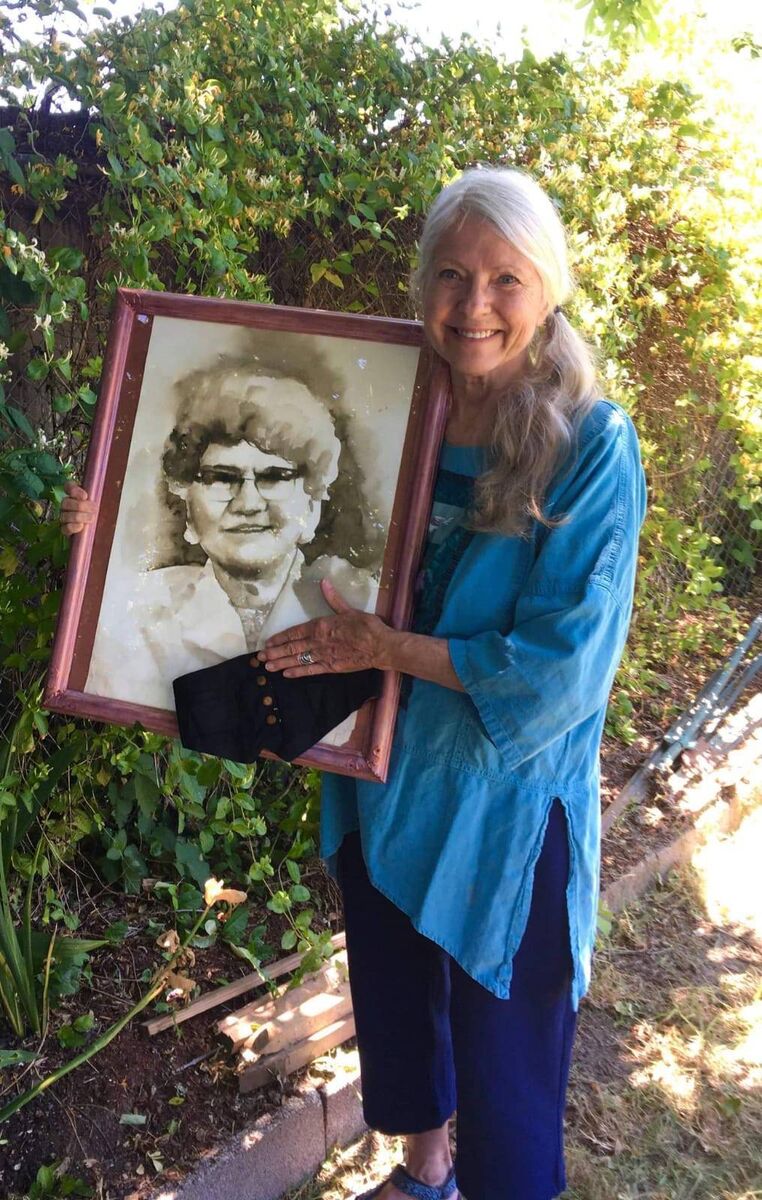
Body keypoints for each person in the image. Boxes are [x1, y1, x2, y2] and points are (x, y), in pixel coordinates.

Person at [63, 165, 646, 1200]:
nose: (474, 307)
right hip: (376, 768)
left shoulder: (590, 442)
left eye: (505, 280)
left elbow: (566, 670)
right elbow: (280, 555)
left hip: (501, 810)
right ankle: (425, 1174)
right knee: (394, 1000)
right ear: (422, 283)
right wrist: (113, 529)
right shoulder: (384, 397)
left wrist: (391, 650)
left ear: (547, 285)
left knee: (507, 1068)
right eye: (452, 276)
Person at [77, 365, 376, 712]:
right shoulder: (132, 613)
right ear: (188, 505)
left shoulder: (362, 609)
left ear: (312, 505)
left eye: (275, 477)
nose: (248, 503)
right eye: (221, 477)